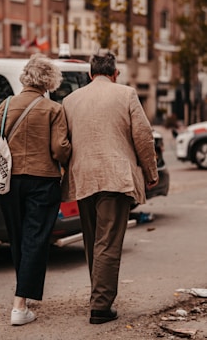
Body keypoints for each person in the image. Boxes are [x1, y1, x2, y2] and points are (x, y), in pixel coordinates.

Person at [62, 50, 158, 325]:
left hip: (83, 178)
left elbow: (63, 142)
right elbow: (143, 136)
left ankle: (97, 296)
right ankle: (101, 306)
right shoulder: (126, 94)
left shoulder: (70, 100)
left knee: (93, 241)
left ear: (89, 74)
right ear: (115, 73)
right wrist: (150, 172)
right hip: (115, 178)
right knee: (109, 242)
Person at [0, 53, 71, 326]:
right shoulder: (53, 110)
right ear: (49, 81)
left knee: (19, 236)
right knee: (35, 238)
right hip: (42, 180)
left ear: (26, 77)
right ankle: (20, 304)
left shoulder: (6, 104)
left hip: (10, 182)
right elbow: (60, 150)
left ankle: (22, 297)